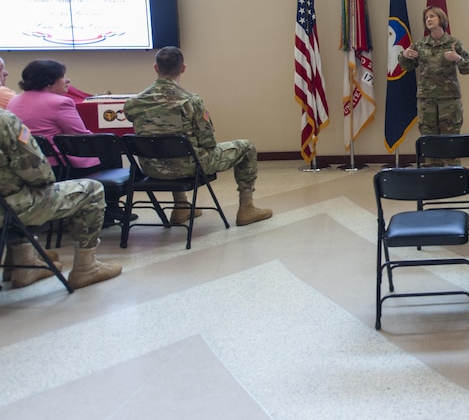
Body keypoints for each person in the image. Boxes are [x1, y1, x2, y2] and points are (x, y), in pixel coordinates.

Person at [123, 46, 273, 226]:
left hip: (151, 169)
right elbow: (208, 142)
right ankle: (246, 208)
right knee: (247, 146)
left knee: (171, 149)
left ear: (156, 68)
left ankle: (181, 207)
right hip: (190, 168)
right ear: (183, 68)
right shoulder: (191, 101)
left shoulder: (134, 103)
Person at [0, 109, 122, 289]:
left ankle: (26, 265)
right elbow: (37, 172)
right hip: (11, 209)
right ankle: (86, 268)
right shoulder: (5, 120)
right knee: (91, 189)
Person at [6, 59, 130, 225]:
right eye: (63, 76)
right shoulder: (60, 102)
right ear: (49, 81)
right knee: (111, 152)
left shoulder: (14, 101)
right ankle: (110, 209)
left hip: (29, 168)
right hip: (63, 168)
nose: (68, 80)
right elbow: (82, 138)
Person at [398, 6, 469, 165]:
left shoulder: (453, 43)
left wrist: (457, 58)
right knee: (430, 141)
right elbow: (408, 66)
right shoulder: (421, 44)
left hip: (449, 100)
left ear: (441, 20)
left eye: (432, 16)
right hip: (426, 100)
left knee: (450, 140)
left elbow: (467, 68)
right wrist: (404, 55)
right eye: (426, 18)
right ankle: (433, 177)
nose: (429, 20)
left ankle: (453, 176)